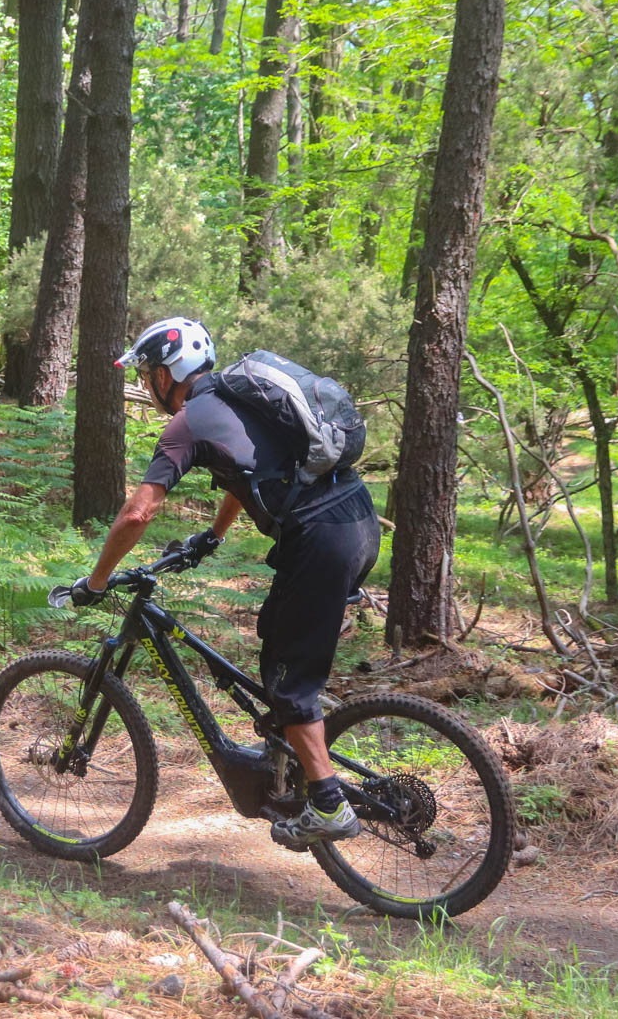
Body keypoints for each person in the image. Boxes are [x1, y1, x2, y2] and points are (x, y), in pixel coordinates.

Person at [65, 317, 383, 850]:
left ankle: (328, 804)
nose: (147, 385)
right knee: (276, 641)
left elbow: (138, 514)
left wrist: (95, 583)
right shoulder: (239, 398)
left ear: (170, 374)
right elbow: (249, 471)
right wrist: (213, 535)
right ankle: (283, 771)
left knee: (289, 680)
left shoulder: (189, 423)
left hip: (321, 541)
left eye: (148, 374)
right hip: (357, 522)